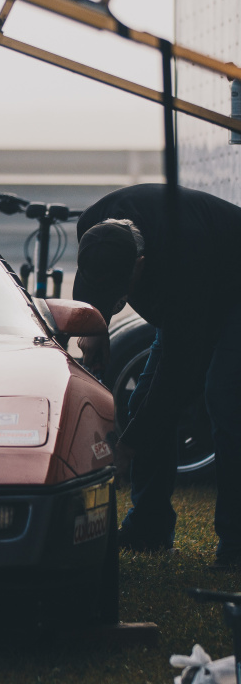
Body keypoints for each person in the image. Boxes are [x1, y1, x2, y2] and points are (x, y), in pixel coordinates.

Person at [73, 183, 241, 568]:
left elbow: (179, 377)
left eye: (121, 290)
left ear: (141, 264)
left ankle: (236, 543)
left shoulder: (185, 257)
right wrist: (95, 330)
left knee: (224, 398)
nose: (117, 299)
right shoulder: (94, 229)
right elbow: (90, 295)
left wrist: (128, 448)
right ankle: (149, 528)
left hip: (233, 289)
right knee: (140, 401)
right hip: (186, 297)